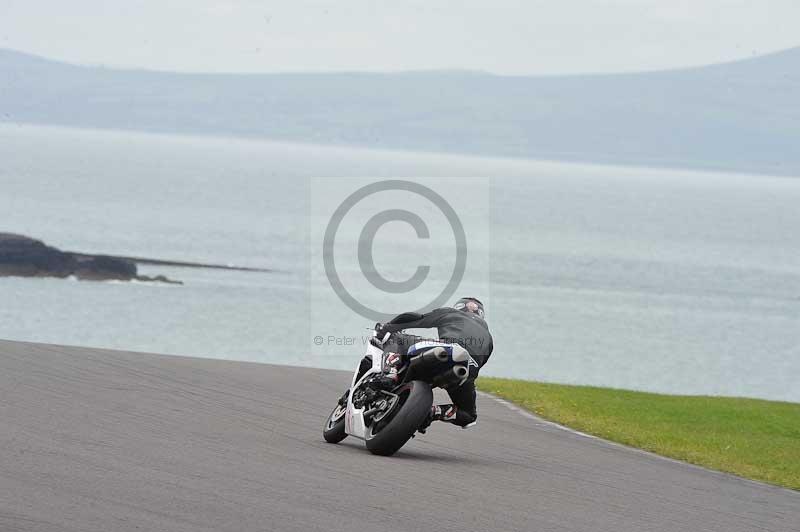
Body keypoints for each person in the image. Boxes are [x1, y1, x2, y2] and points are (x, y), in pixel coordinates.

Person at [358, 297, 493, 428]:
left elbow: (417, 319)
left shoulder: (451, 313)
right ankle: (432, 413)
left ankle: (390, 373)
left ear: (459, 307)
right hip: (466, 371)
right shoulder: (489, 338)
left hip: (446, 349)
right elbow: (481, 362)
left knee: (396, 337)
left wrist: (388, 327)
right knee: (468, 416)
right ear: (481, 314)